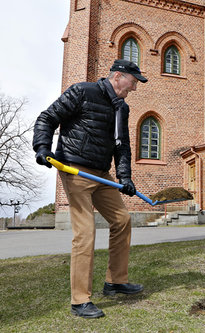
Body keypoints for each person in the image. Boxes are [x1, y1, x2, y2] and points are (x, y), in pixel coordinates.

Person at [33, 59, 148, 318]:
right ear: (118, 76)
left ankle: (115, 281)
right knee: (85, 232)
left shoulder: (121, 107)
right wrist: (42, 147)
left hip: (102, 174)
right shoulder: (82, 92)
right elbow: (47, 117)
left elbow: (122, 146)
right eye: (133, 82)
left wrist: (125, 178)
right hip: (76, 170)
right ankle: (80, 300)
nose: (134, 88)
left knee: (122, 219)